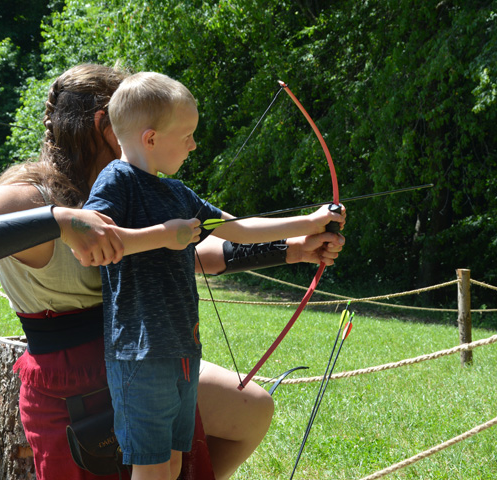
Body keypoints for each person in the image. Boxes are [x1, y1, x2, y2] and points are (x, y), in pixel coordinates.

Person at [0, 63, 346, 480]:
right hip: (74, 384)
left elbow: (186, 250)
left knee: (250, 410)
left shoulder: (136, 186)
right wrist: (57, 221)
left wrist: (292, 248)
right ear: (108, 123)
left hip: (147, 353)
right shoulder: (30, 195)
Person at [81, 71, 345, 480]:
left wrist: (308, 223)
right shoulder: (117, 181)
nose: (194, 143)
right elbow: (94, 242)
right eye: (186, 134)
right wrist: (163, 236)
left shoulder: (178, 193)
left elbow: (238, 229)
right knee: (150, 469)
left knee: (170, 463)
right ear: (150, 139)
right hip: (140, 354)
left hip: (183, 350)